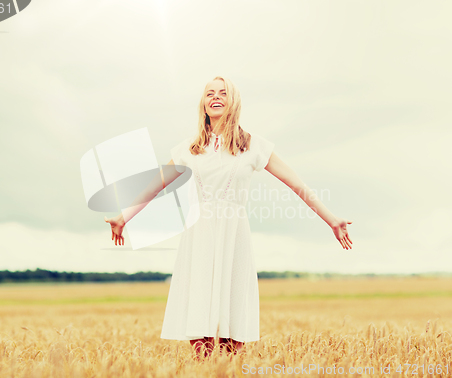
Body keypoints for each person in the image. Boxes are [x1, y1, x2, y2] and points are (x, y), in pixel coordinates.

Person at [105, 76, 353, 359]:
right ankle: (204, 366)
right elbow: (157, 183)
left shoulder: (252, 145)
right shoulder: (190, 147)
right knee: (199, 314)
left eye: (223, 92)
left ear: (233, 101)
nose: (215, 97)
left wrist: (331, 219)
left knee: (234, 316)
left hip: (234, 235)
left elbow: (296, 184)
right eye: (210, 93)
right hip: (199, 234)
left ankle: (229, 365)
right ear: (203, 103)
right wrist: (124, 217)